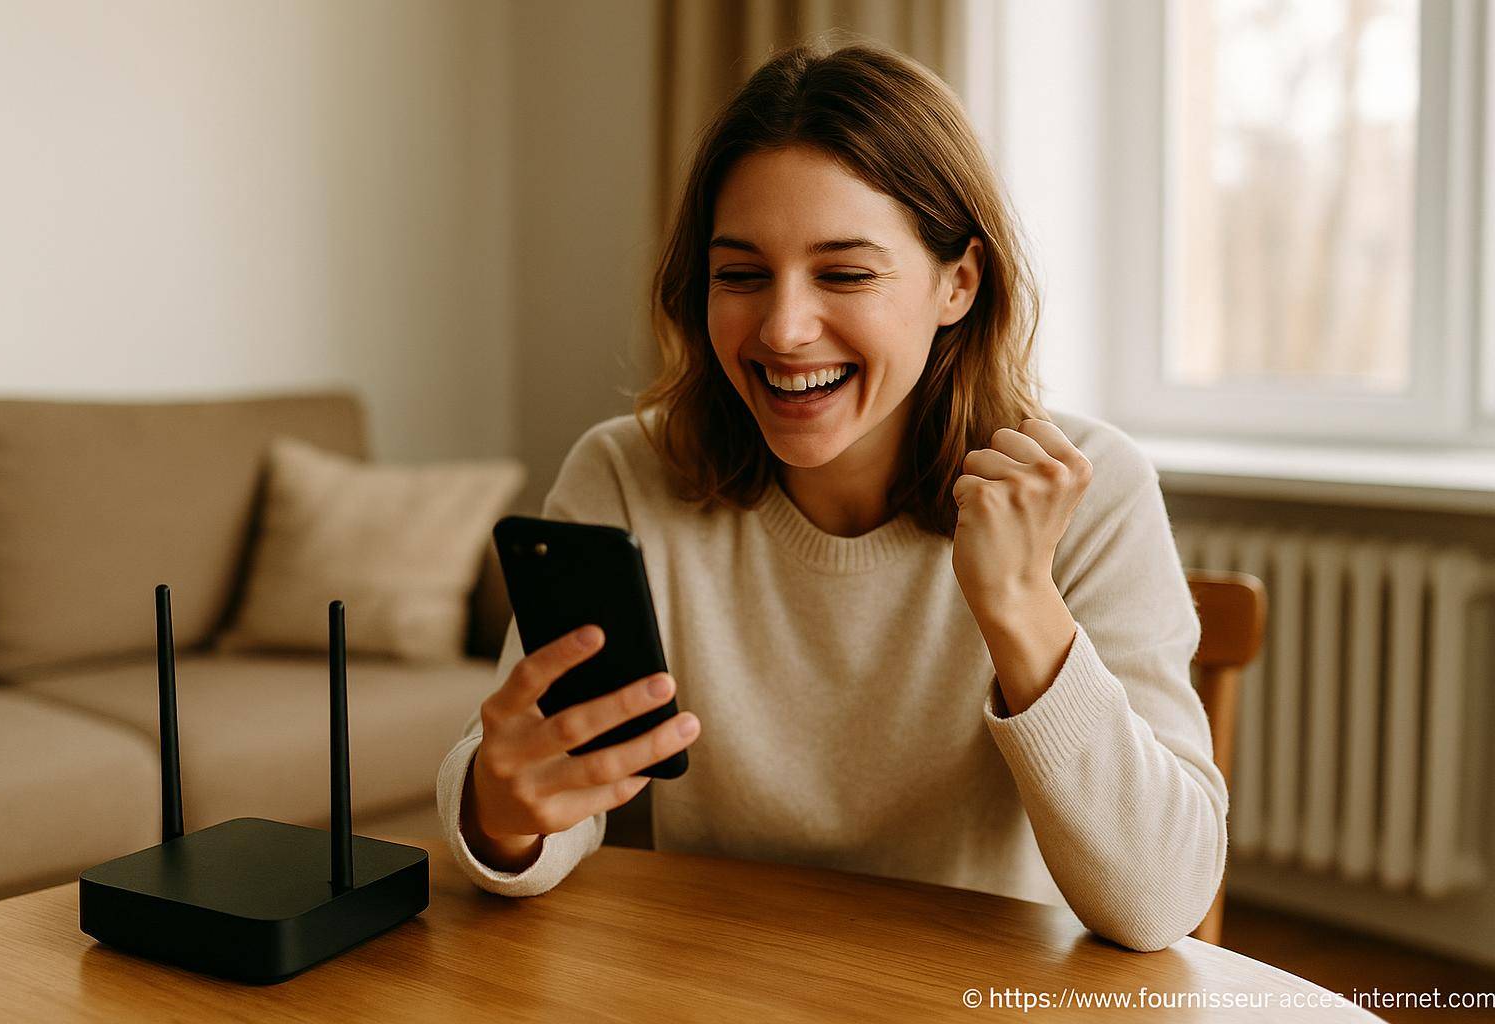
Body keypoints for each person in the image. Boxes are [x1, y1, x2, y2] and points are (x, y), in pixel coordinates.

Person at [436, 40, 1226, 953]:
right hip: (716, 989)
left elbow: (1160, 898)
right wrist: (504, 811)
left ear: (957, 282)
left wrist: (1019, 605)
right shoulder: (625, 476)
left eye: (845, 273)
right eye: (740, 274)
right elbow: (543, 800)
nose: (782, 328)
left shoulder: (1090, 490)